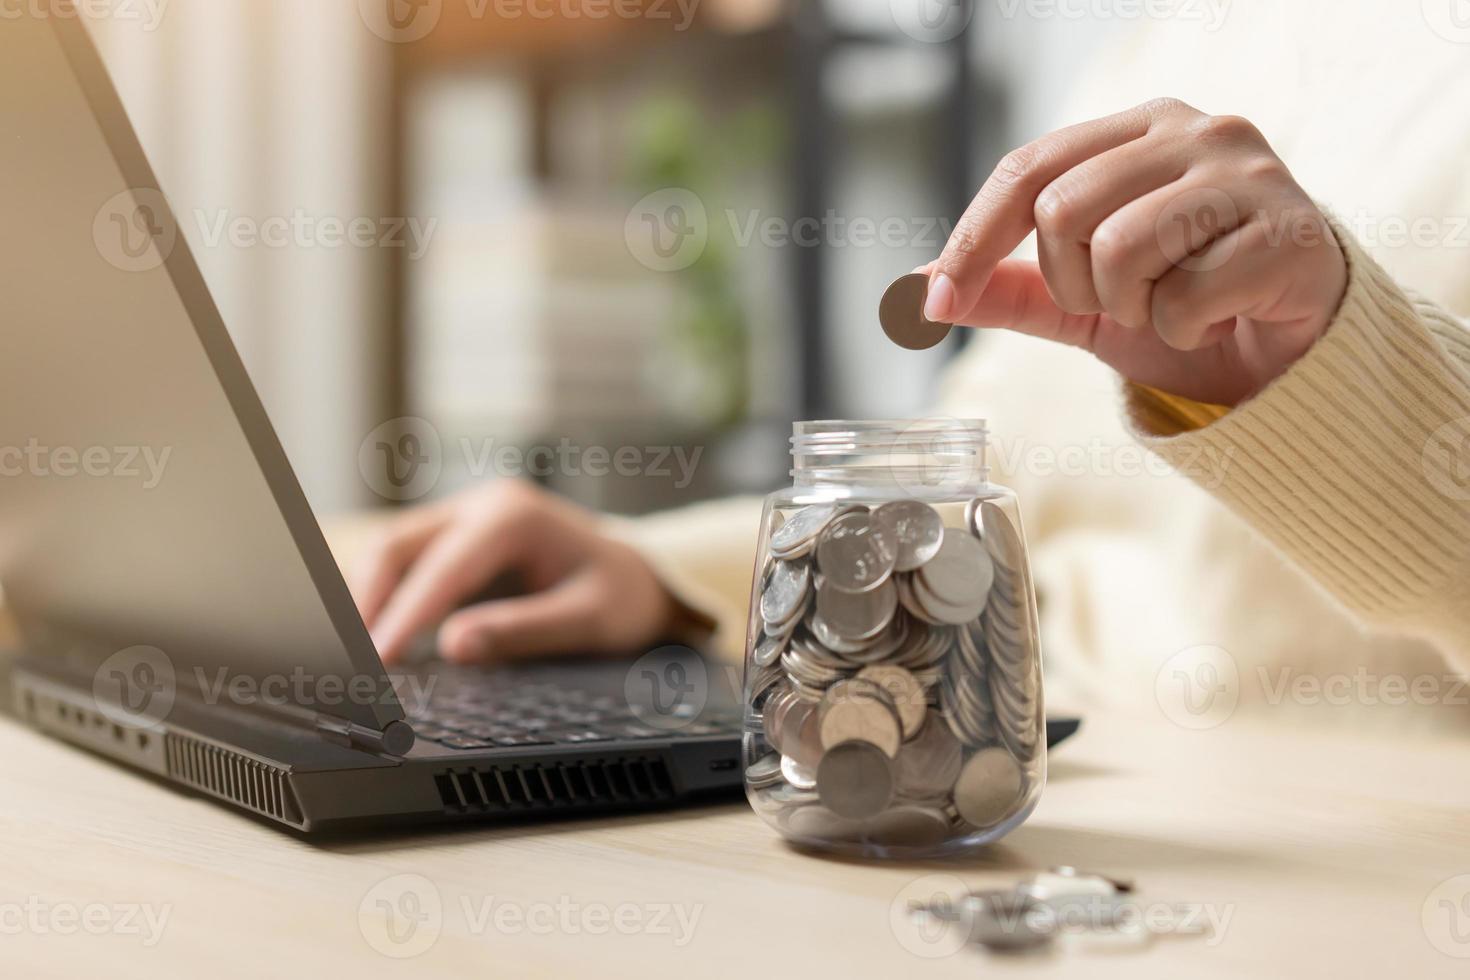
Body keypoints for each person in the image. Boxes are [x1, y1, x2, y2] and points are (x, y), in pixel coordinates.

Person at [350, 2, 1470, 721]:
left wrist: (1342, 385)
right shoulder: (1168, 46)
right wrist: (673, 576)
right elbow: (1001, 516)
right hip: (1010, 772)